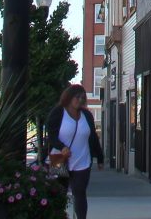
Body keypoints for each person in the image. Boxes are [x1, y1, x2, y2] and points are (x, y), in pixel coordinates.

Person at [49, 84, 102, 219]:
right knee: (59, 192)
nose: (80, 100)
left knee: (79, 192)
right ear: (69, 97)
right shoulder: (58, 112)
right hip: (59, 158)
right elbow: (52, 136)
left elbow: (93, 137)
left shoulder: (87, 115)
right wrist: (62, 147)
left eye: (82, 98)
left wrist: (100, 157)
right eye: (77, 97)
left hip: (82, 160)